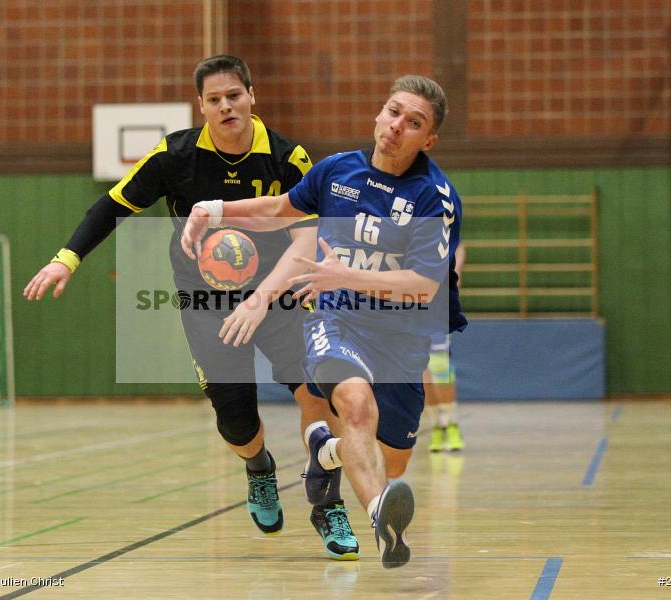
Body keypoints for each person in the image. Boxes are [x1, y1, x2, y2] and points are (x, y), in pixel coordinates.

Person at [23, 55, 359, 560]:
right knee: (237, 421)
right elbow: (111, 206)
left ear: (252, 96)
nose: (226, 106)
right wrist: (66, 260)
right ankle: (259, 469)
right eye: (214, 99)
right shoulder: (174, 157)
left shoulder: (289, 159)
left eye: (234, 95)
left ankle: (327, 502)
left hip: (280, 293)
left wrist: (287, 286)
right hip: (207, 303)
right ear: (200, 106)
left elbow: (308, 237)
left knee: (316, 392)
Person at [182, 74, 467, 568]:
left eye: (413, 122)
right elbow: (279, 208)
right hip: (338, 320)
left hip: (402, 336)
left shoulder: (433, 198)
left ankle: (325, 453)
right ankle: (381, 518)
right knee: (355, 406)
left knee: (389, 457)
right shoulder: (338, 171)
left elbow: (424, 285)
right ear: (380, 113)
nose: (397, 126)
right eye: (393, 112)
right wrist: (216, 208)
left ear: (429, 139)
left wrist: (347, 273)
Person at [425, 240, 465, 452]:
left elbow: (458, 246)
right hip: (410, 302)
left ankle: (452, 423)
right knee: (422, 369)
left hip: (438, 301)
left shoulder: (442, 216)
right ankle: (436, 425)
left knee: (440, 365)